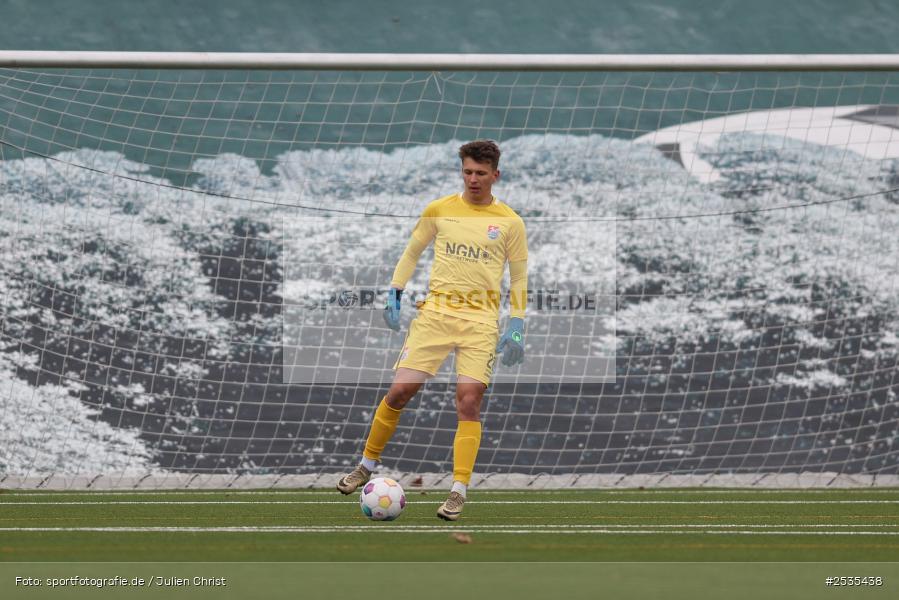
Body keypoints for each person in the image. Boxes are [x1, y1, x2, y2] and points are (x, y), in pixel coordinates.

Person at [337, 139, 528, 521]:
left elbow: (520, 276)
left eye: (481, 173)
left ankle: (458, 490)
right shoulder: (439, 209)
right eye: (467, 172)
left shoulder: (510, 222)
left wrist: (518, 324)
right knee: (399, 392)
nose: (473, 179)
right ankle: (366, 465)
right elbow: (412, 252)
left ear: (495, 175)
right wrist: (395, 292)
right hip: (435, 316)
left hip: (480, 322)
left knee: (468, 402)